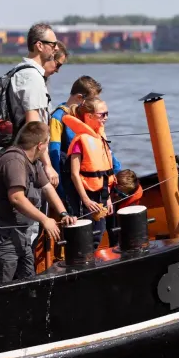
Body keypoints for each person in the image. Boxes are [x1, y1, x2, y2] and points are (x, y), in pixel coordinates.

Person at [0, 122, 76, 286]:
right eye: (47, 144)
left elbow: (47, 187)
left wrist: (63, 213)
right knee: (3, 283)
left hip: (20, 234)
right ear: (40, 146)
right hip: (2, 234)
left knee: (28, 279)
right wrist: (45, 219)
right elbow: (16, 198)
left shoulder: (33, 162)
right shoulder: (14, 161)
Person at [48, 76, 122, 209]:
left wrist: (116, 169)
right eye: (91, 100)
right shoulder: (58, 118)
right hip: (72, 180)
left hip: (95, 179)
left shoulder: (85, 115)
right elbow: (55, 154)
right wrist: (60, 191)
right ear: (79, 97)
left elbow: (101, 145)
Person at [8, 22, 60, 187]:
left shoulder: (27, 72)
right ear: (39, 45)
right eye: (53, 44)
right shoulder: (31, 76)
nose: (56, 48)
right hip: (28, 159)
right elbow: (33, 125)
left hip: (27, 155)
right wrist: (47, 165)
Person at [64, 97, 116, 247]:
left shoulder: (100, 137)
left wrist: (108, 198)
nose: (106, 117)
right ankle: (86, 263)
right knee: (91, 234)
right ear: (89, 116)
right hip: (87, 197)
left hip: (102, 194)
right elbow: (74, 174)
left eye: (107, 113)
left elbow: (105, 172)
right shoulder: (80, 141)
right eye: (102, 114)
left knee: (102, 230)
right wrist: (86, 200)